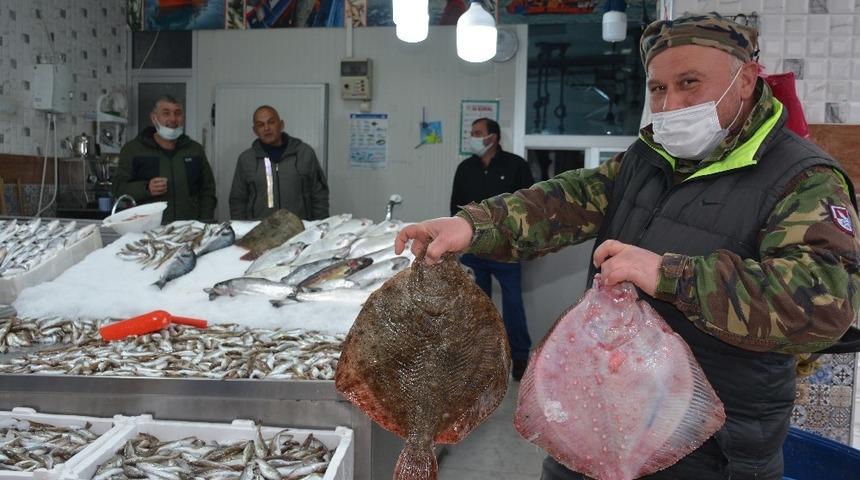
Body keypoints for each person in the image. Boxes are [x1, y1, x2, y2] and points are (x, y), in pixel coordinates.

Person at [395, 13, 860, 480]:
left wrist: (670, 276)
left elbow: (825, 305)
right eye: (658, 89)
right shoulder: (648, 157)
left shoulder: (802, 178)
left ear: (746, 79)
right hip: (592, 416)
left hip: (708, 453)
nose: (671, 104)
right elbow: (566, 199)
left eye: (690, 83)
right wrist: (472, 225)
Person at [451, 117, 535, 381]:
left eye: (478, 133)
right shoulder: (465, 168)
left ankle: (519, 357)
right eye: (472, 133)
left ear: (493, 137)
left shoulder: (516, 165)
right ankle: (478, 358)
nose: (473, 137)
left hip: (506, 251)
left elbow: (530, 206)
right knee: (475, 307)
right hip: (473, 251)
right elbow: (455, 209)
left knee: (513, 304)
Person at [113, 95, 216, 224]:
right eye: (166, 113)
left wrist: (204, 222)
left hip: (189, 229)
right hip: (147, 230)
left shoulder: (195, 150)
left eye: (178, 113)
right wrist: (146, 188)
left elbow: (208, 190)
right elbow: (118, 188)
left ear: (183, 118)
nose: (173, 119)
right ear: (154, 118)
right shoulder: (133, 150)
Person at [229, 105, 329, 221]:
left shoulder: (304, 153)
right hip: (259, 230)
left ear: (281, 125)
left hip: (300, 229)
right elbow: (237, 200)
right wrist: (241, 228)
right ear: (255, 130)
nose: (266, 128)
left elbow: (319, 194)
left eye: (271, 122)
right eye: (260, 125)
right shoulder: (246, 159)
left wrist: (320, 225)